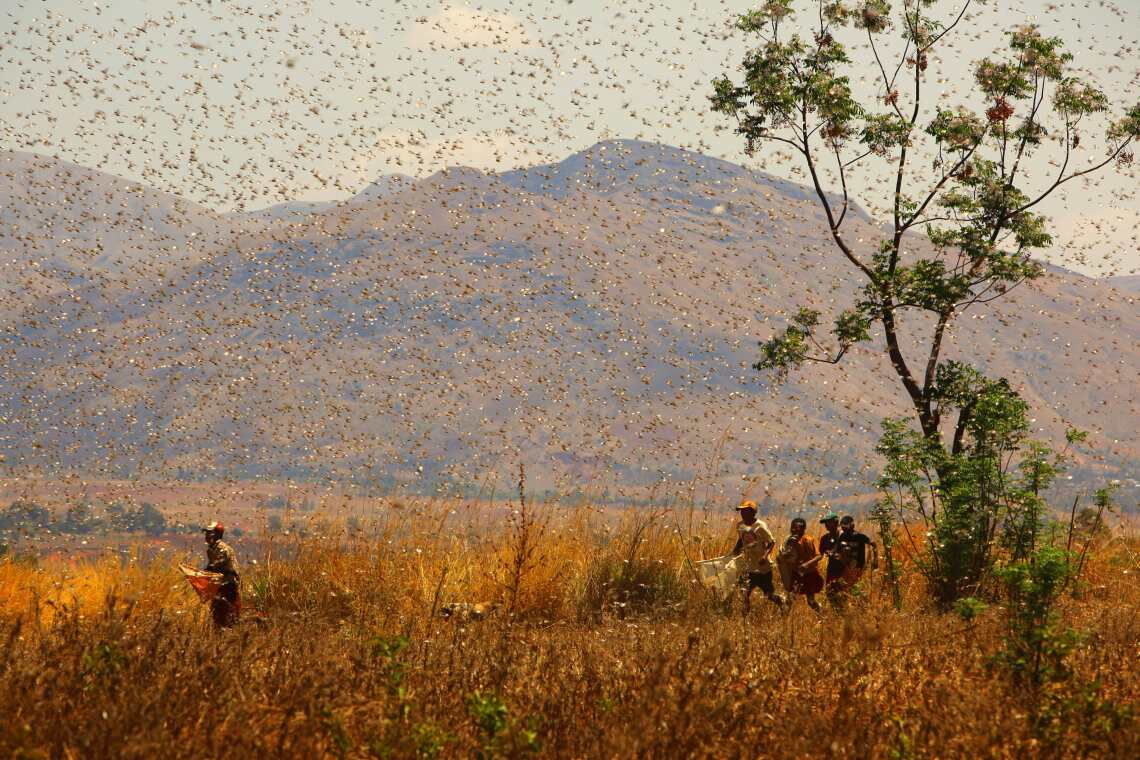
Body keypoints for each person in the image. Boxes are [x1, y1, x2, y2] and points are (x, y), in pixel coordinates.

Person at [730, 500, 784, 614]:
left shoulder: (760, 526)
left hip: (762, 568)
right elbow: (741, 539)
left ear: (753, 512)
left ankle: (781, 602)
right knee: (744, 593)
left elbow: (771, 542)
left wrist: (764, 556)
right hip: (748, 567)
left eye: (745, 511)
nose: (742, 514)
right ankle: (745, 616)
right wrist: (735, 550)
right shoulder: (740, 525)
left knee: (768, 594)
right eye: (741, 511)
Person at [777, 517, 823, 611]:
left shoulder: (808, 540)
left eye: (798, 528)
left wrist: (807, 564)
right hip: (796, 573)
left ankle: (821, 614)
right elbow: (784, 556)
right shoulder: (789, 540)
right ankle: (784, 616)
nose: (795, 530)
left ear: (803, 529)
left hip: (810, 574)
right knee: (790, 598)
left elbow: (819, 556)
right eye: (793, 528)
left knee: (810, 601)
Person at [203, 521, 240, 628]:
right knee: (217, 612)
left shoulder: (222, 549)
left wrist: (203, 573)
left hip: (228, 584)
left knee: (227, 611)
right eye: (206, 533)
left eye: (210, 533)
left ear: (218, 535)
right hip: (220, 583)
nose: (207, 536)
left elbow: (216, 565)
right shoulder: (211, 549)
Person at [833, 515, 877, 597]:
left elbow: (873, 544)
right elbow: (837, 550)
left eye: (845, 526)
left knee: (852, 586)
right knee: (846, 586)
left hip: (858, 566)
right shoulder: (842, 536)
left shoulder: (859, 536)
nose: (843, 528)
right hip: (846, 565)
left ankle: (856, 600)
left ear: (852, 526)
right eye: (842, 526)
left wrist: (875, 560)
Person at [817, 511, 846, 604]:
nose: (826, 525)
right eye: (825, 523)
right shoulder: (824, 538)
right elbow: (820, 554)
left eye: (829, 522)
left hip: (846, 570)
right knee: (830, 594)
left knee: (845, 595)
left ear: (836, 522)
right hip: (832, 570)